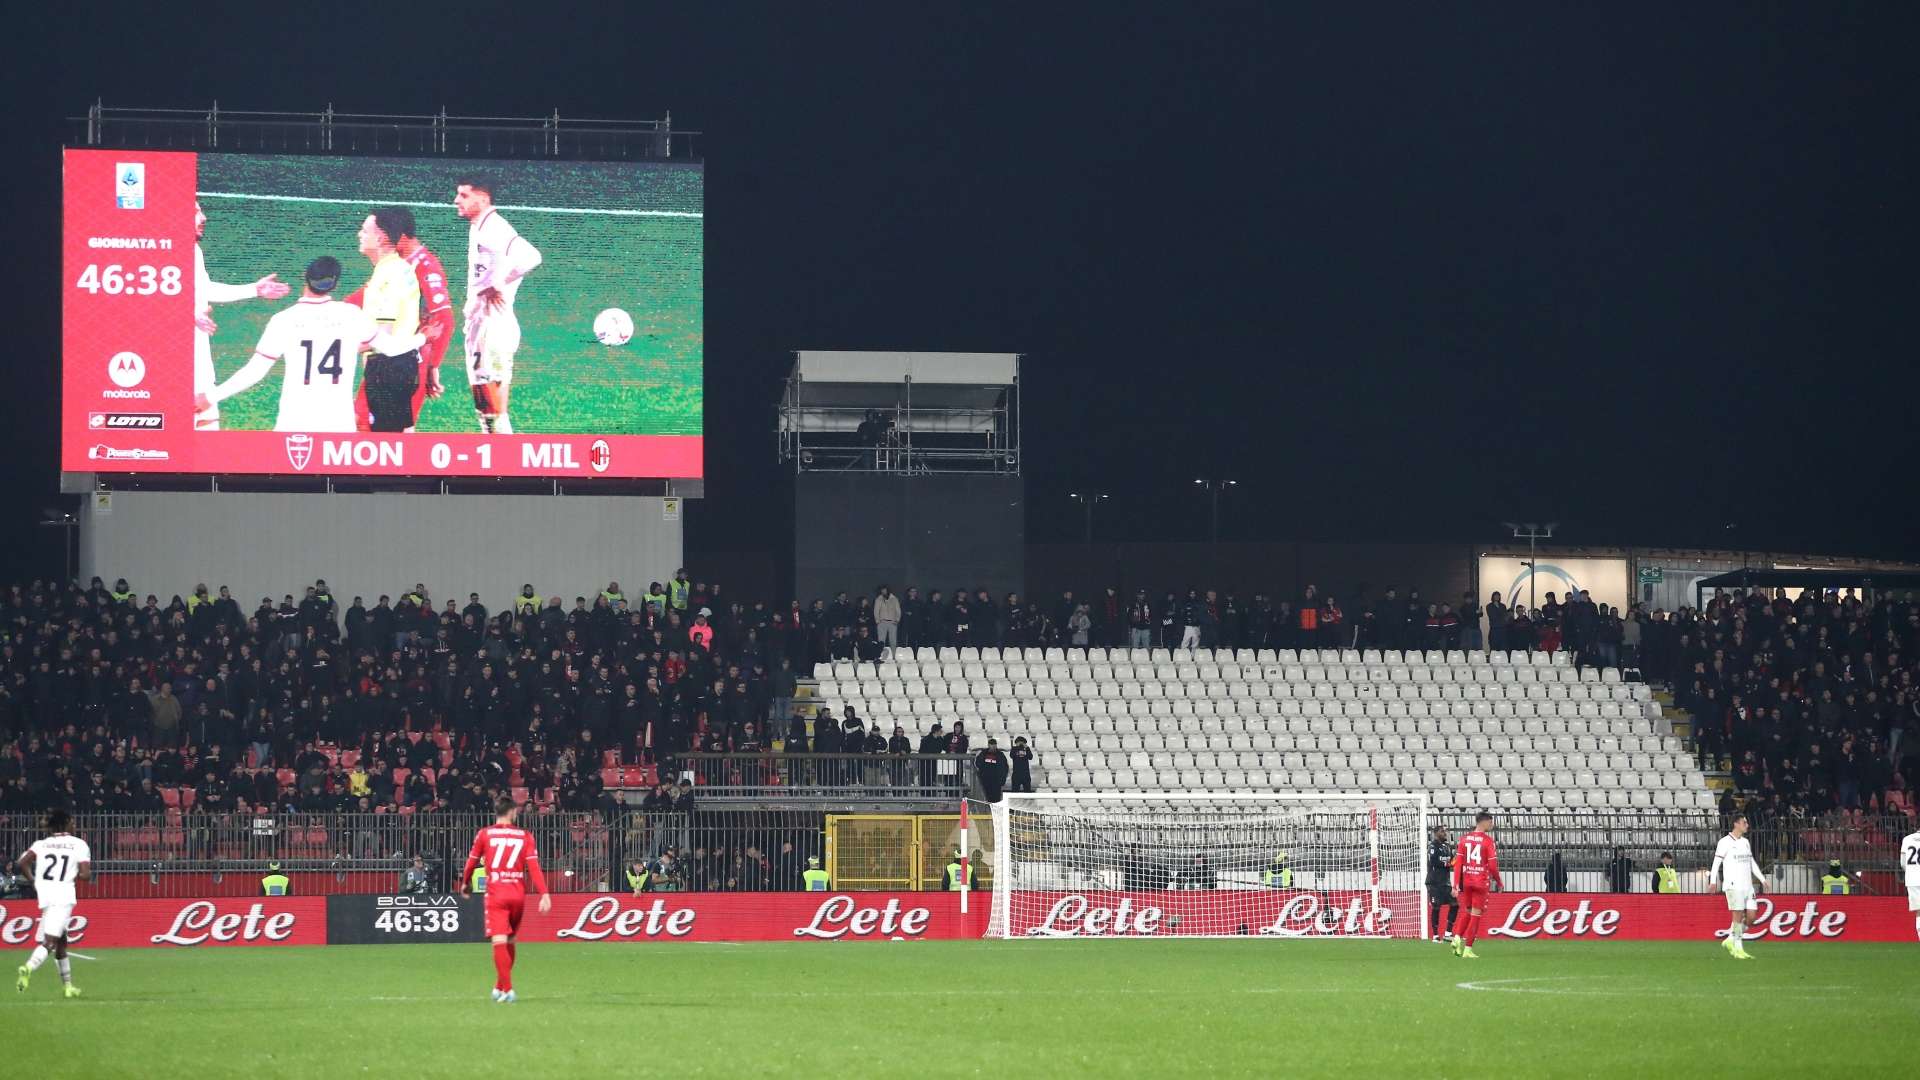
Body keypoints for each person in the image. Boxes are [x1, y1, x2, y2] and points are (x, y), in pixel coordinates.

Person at [198, 256, 426, 431]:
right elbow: (392, 348)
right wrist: (425, 336)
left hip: (293, 425)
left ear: (305, 279)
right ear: (334, 285)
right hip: (338, 430)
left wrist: (209, 397)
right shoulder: (351, 315)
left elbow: (254, 372)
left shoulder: (283, 320)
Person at [344, 206, 455, 432]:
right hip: (386, 357)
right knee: (369, 424)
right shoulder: (393, 267)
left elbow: (444, 318)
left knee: (385, 432)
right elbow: (364, 296)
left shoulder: (422, 266)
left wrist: (433, 366)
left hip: (402, 359)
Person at [191, 199, 291, 431]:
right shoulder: (158, 252)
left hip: (198, 360)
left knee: (207, 434)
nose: (203, 218)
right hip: (172, 364)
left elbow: (204, 290)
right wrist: (186, 315)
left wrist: (254, 290)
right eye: (195, 212)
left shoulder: (193, 251)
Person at [455, 174, 543, 434]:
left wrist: (499, 284)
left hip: (490, 326)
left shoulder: (495, 228)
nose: (456, 200)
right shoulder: (481, 226)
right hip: (488, 324)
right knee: (492, 412)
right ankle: (502, 459)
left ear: (482, 199)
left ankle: (503, 463)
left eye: (464, 195)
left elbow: (531, 256)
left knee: (489, 411)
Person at [458, 795, 553, 1003]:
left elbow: (471, 862)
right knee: (510, 940)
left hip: (496, 894)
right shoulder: (525, 836)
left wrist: (465, 883)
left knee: (499, 941)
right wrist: (544, 893)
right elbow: (534, 867)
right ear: (512, 812)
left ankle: (508, 989)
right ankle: (499, 986)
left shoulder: (485, 834)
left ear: (497, 811)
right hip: (518, 894)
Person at [15, 809, 91, 998]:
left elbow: (22, 863)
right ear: (66, 823)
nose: (74, 824)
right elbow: (85, 875)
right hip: (63, 896)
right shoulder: (78, 844)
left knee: (61, 941)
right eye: (72, 821)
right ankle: (28, 967)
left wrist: (33, 881)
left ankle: (68, 986)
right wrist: (74, 875)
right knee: (50, 941)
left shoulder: (41, 844)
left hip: (46, 894)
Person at [1708, 813, 1765, 960]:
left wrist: (1762, 879)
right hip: (1733, 885)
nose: (1747, 825)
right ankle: (1738, 949)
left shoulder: (1745, 842)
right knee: (1738, 917)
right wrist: (1713, 881)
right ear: (1736, 824)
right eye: (1744, 822)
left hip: (1748, 886)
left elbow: (1751, 862)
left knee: (1752, 916)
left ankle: (1730, 939)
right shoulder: (1724, 842)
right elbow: (1716, 863)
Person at [1449, 810, 1502, 959]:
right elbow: (1492, 867)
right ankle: (1468, 949)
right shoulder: (1488, 841)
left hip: (1467, 881)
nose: (1492, 824)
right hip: (1480, 882)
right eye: (1490, 822)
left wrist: (1455, 885)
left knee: (1467, 911)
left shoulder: (1464, 839)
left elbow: (1458, 863)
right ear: (1483, 822)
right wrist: (1499, 882)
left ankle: (1457, 938)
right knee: (1476, 915)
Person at [1426, 827, 1456, 941]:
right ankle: (1435, 935)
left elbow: (1452, 861)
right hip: (1434, 882)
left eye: (1445, 831)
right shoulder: (1432, 847)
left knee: (1455, 905)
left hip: (1445, 882)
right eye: (1442, 831)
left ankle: (1448, 933)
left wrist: (1456, 860)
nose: (1445, 833)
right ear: (1436, 833)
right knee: (1436, 907)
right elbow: (1434, 861)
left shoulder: (1447, 846)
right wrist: (1448, 864)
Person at [975, 739, 1010, 803]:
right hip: (985, 779)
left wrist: (1002, 779)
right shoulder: (983, 753)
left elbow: (1005, 767)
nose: (993, 746)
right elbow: (977, 763)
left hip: (996, 780)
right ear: (988, 745)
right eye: (992, 745)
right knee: (986, 798)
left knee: (996, 799)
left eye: (994, 745)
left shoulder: (1000, 755)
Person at [1901, 825, 1920, 941]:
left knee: (1919, 911)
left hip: (1912, 879)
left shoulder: (1907, 839)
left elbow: (1903, 863)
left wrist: (1912, 872)